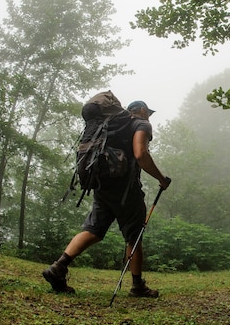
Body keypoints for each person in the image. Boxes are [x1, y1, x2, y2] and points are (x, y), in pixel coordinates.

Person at [43, 96, 171, 297]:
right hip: (126, 190)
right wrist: (161, 179)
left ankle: (58, 267)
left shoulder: (109, 127)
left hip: (103, 186)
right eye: (149, 113)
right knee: (134, 236)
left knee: (94, 229)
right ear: (144, 111)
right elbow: (140, 154)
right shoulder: (141, 124)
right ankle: (137, 286)